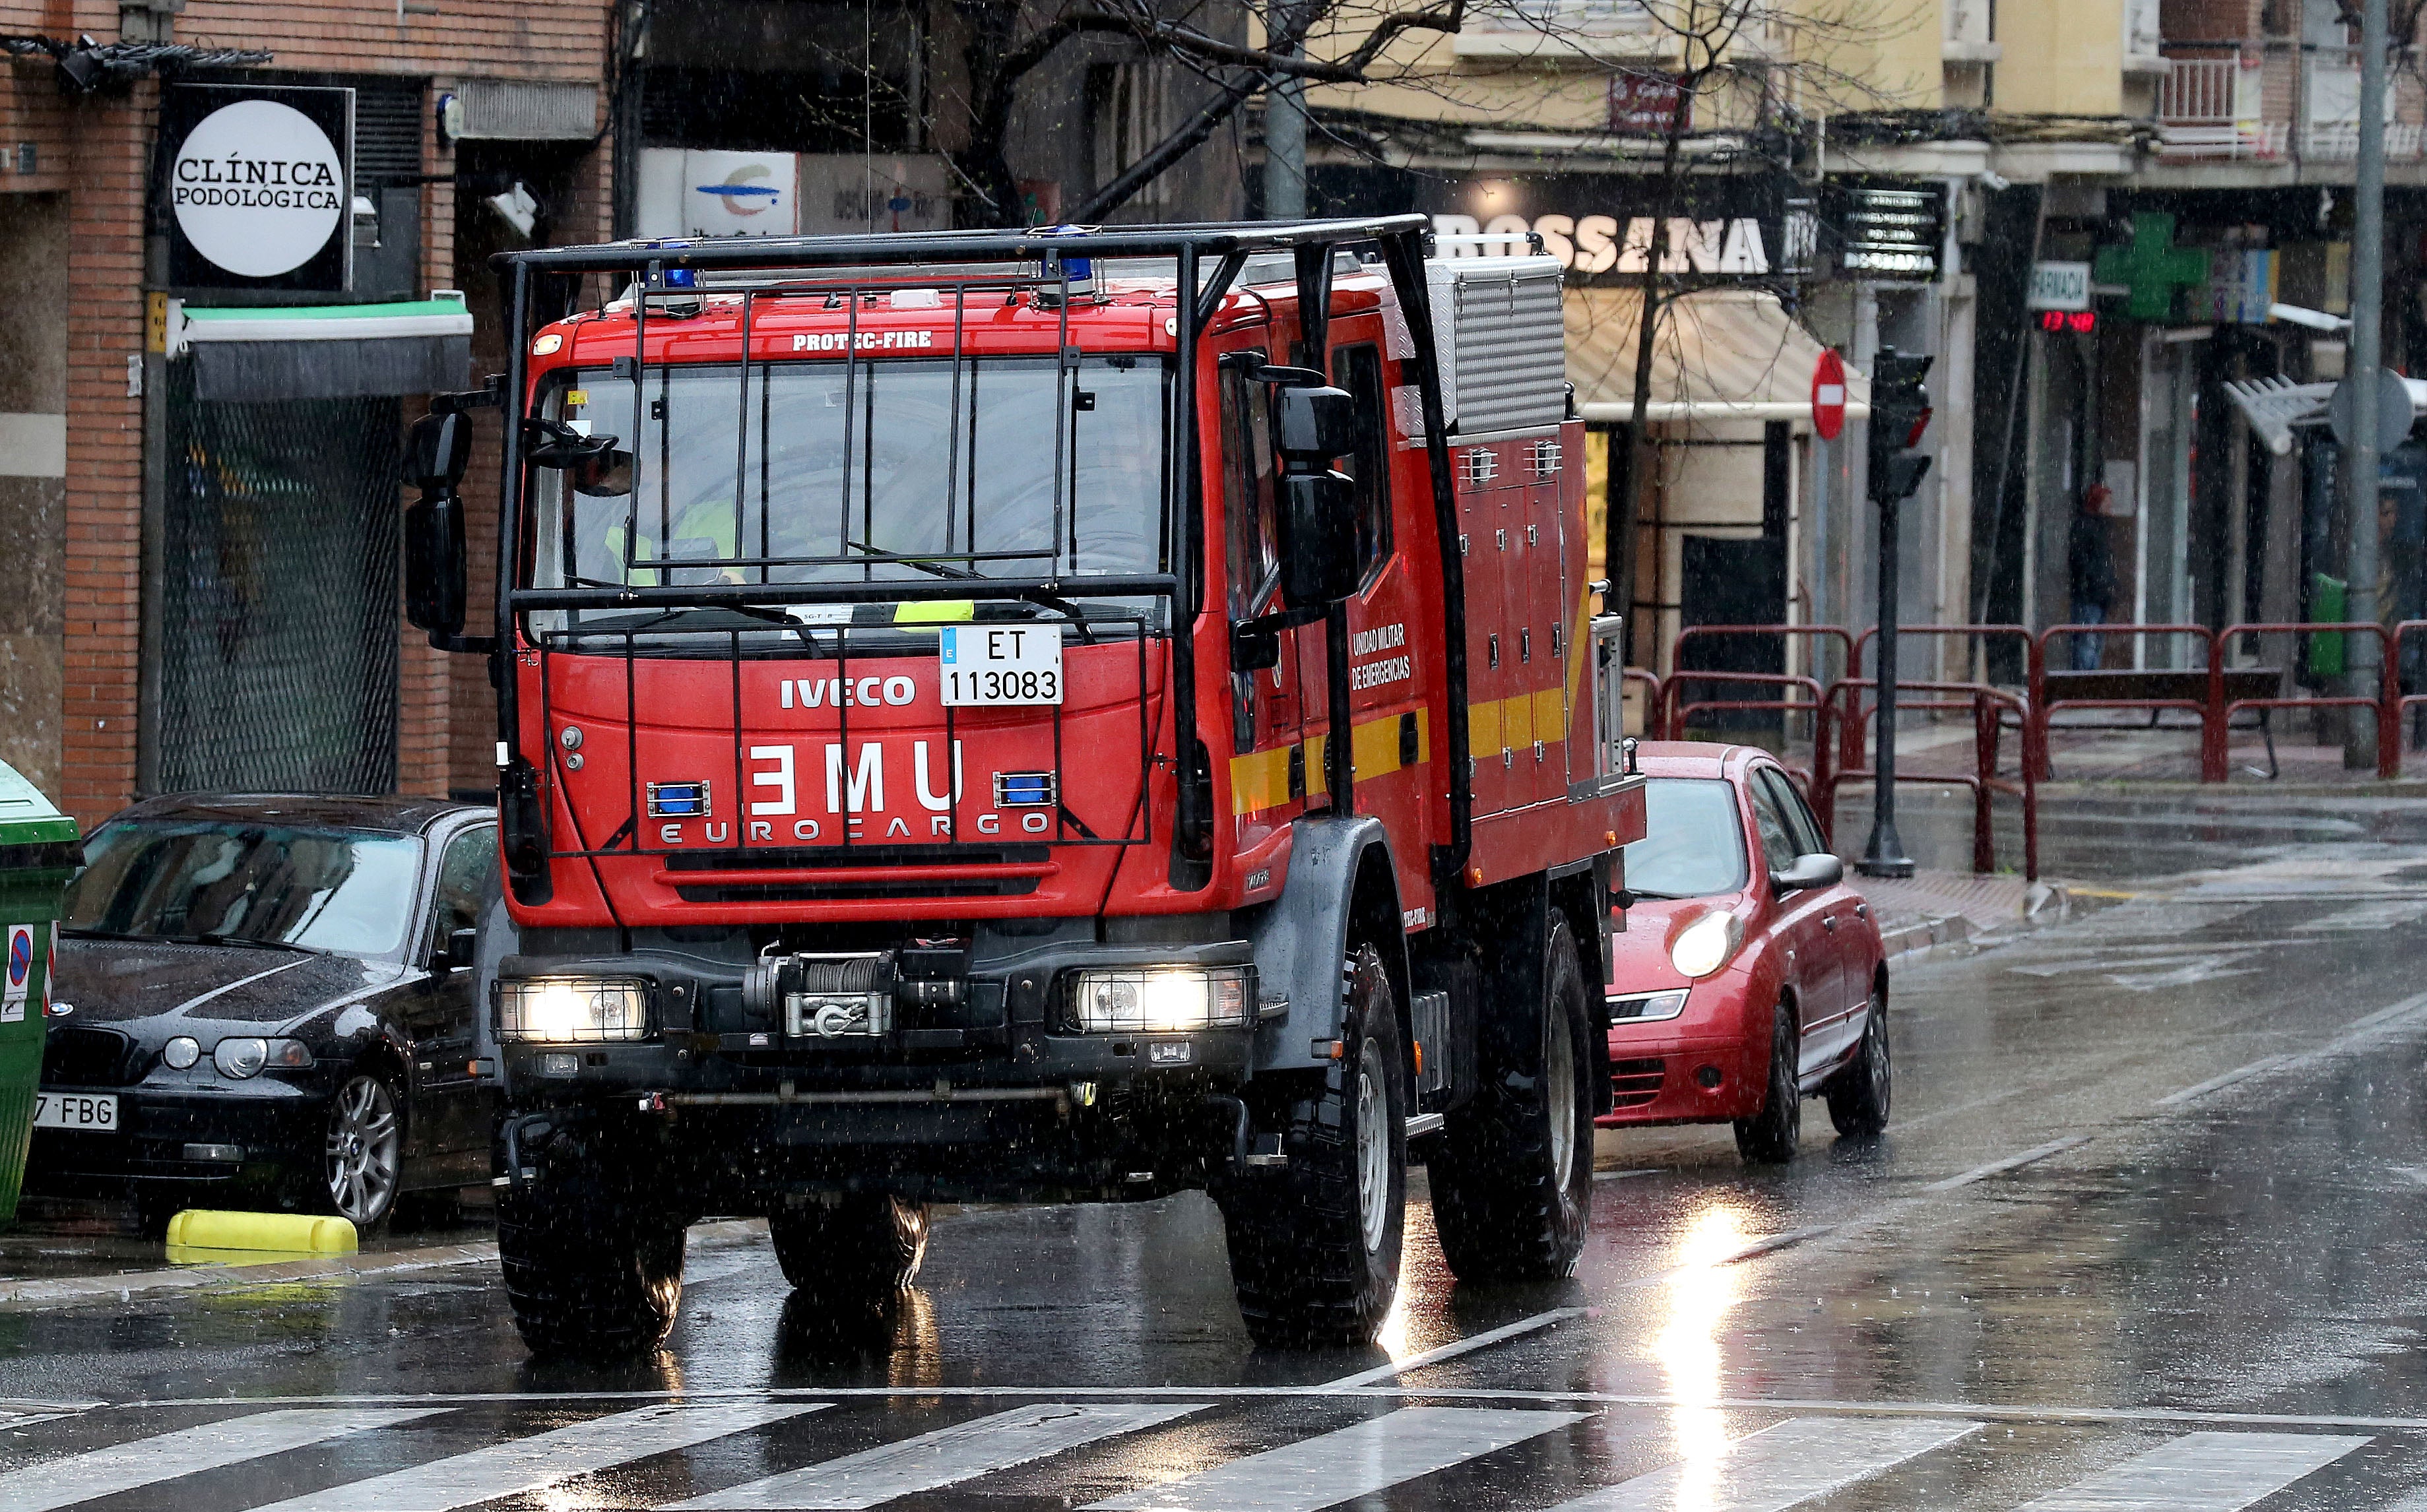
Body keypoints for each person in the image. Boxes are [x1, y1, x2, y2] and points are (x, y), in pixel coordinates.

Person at [2068, 487, 2118, 672]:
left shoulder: (2100, 528)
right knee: (2087, 642)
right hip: (2089, 595)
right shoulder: (2088, 527)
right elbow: (2080, 560)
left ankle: (2088, 680)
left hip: (2097, 594)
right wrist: (2096, 581)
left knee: (2093, 642)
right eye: (2107, 503)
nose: (2110, 507)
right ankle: (2084, 682)